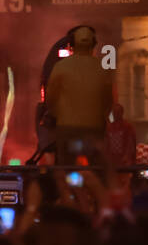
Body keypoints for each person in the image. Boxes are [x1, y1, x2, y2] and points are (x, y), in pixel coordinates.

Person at [44, 26, 113, 163]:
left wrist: (53, 115)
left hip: (66, 130)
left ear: (72, 44)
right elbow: (107, 100)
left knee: (66, 168)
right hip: (94, 130)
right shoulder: (103, 69)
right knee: (95, 168)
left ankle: (67, 183)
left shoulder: (60, 67)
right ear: (93, 44)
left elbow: (50, 98)